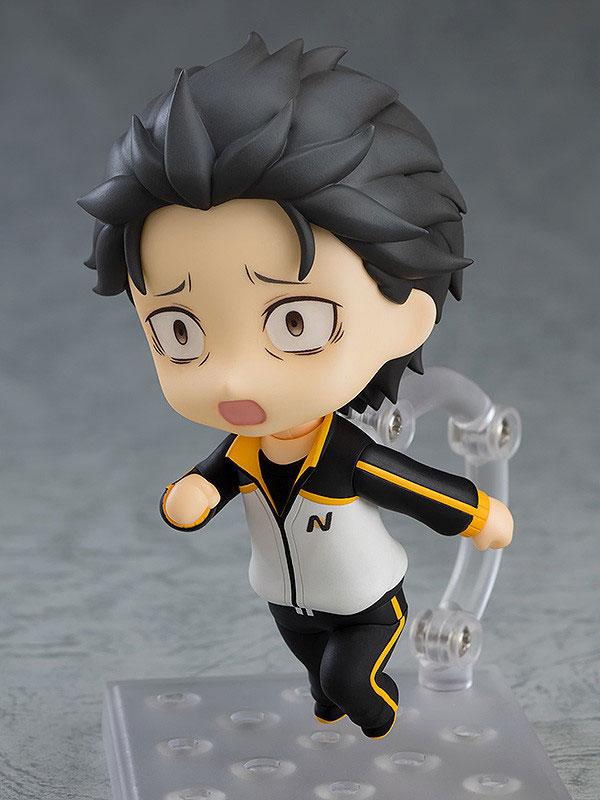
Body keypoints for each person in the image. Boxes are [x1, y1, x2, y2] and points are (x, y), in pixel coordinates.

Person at [79, 33, 513, 739]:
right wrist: (192, 496)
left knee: (349, 681)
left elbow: (414, 488)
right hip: (287, 601)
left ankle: (378, 714)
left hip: (365, 602)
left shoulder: (345, 453)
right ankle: (331, 714)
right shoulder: (243, 452)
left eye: (296, 322)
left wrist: (477, 514)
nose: (233, 375)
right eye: (179, 332)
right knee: (319, 684)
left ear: (408, 313)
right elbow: (208, 485)